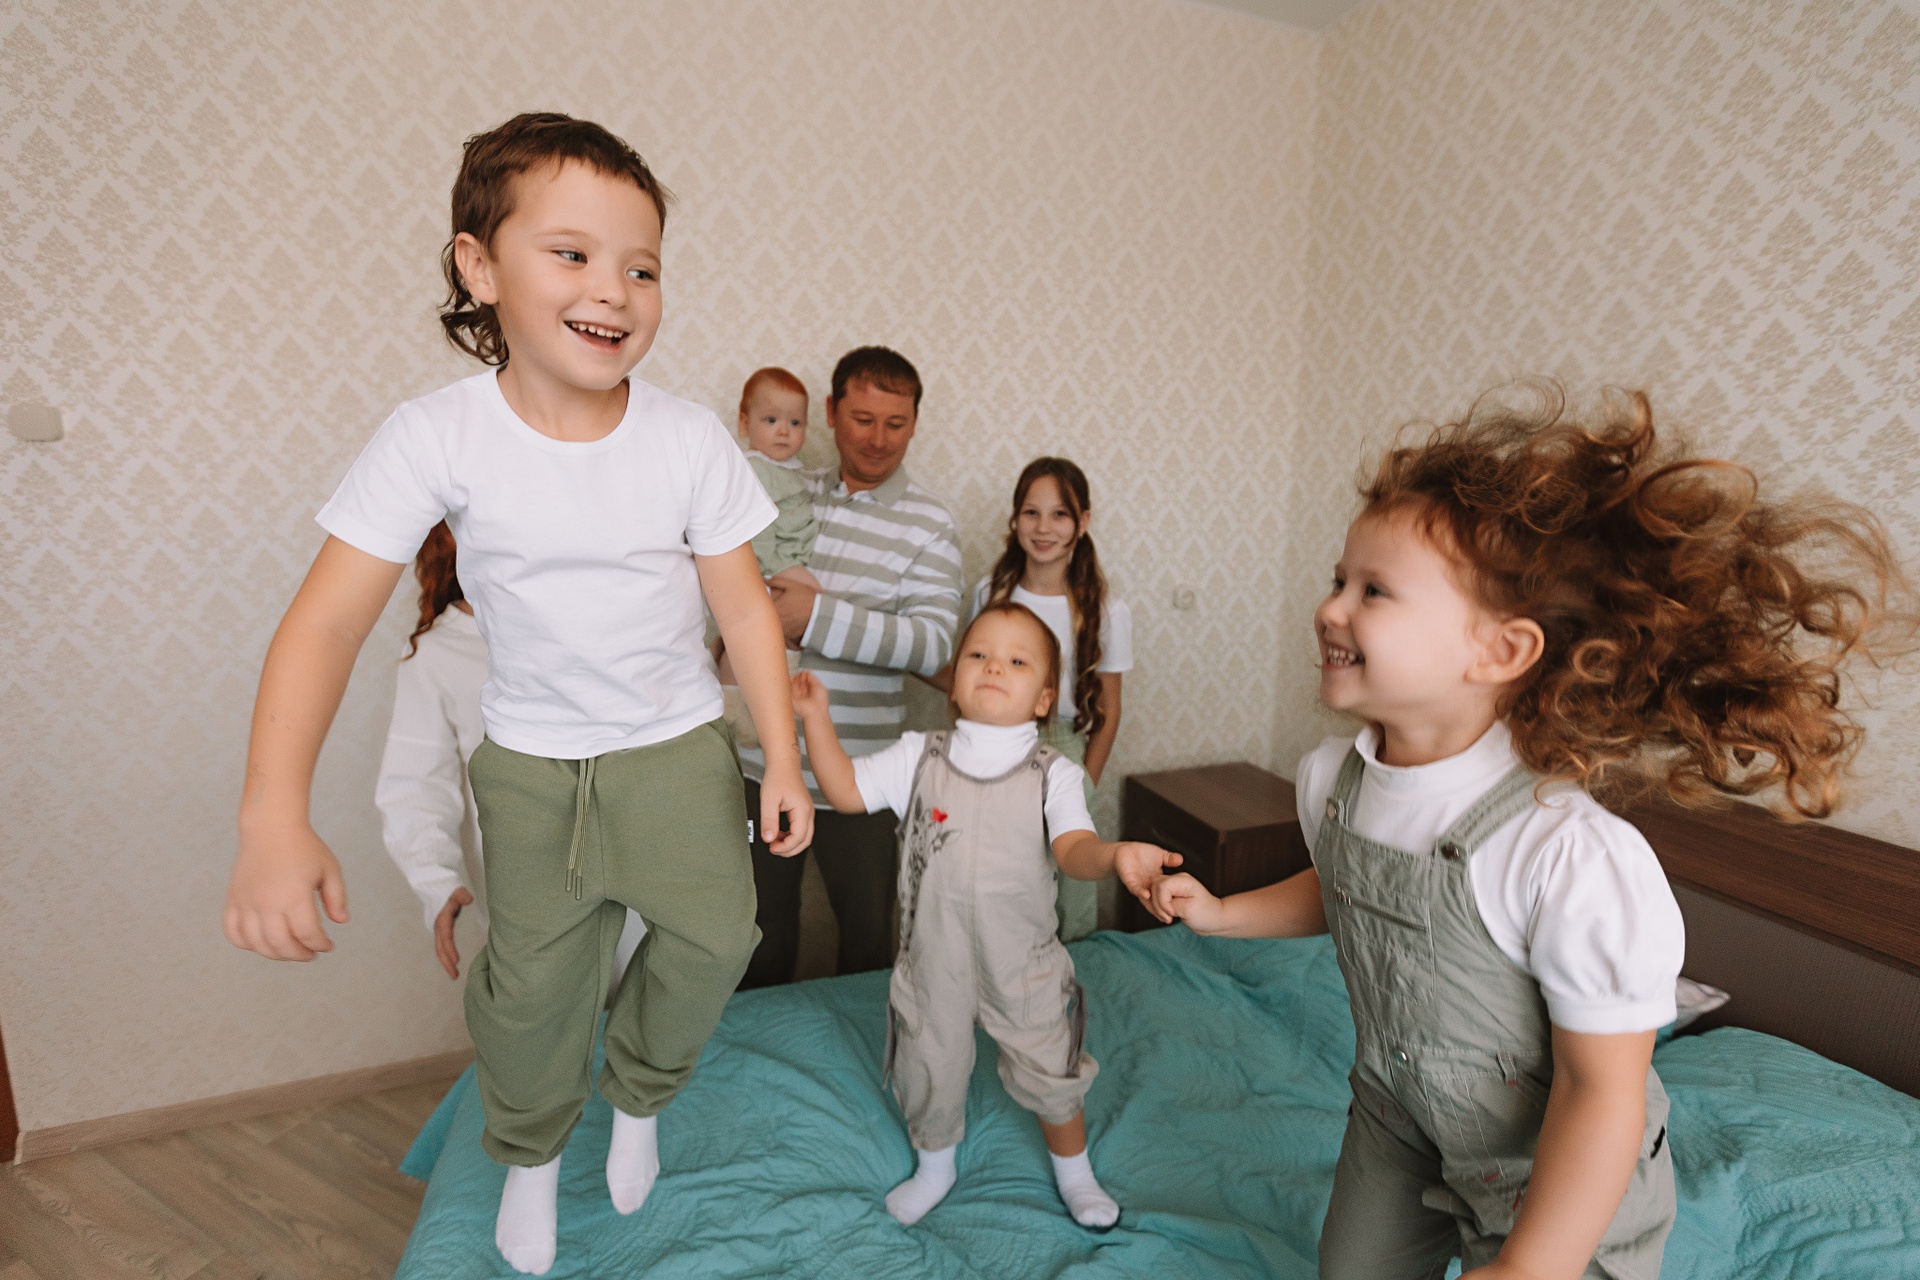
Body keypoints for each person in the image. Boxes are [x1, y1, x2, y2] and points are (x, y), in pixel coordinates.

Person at [220, 113, 813, 1277]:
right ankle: (532, 1153)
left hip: (677, 749)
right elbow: (327, 622)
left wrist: (783, 757)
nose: (614, 290)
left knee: (719, 936)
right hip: (534, 766)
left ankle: (638, 1094)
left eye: (642, 267)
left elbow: (747, 612)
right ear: (479, 266)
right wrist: (271, 815)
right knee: (536, 985)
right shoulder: (435, 436)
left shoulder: (690, 439)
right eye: (573, 254)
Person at [1146, 384, 1908, 1280]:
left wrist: (1529, 1267)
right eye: (1337, 580)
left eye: (1374, 591)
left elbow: (1602, 1093)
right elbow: (1343, 887)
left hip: (1549, 1161)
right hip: (1397, 1115)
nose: (1331, 609)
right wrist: (1226, 913)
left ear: (1501, 652)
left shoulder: (1569, 853)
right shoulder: (1330, 781)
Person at [794, 601, 1177, 1228]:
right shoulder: (918, 757)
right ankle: (935, 1168)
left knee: (1050, 1064)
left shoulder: (1054, 774)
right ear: (955, 680)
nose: (994, 667)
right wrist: (815, 718)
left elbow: (1074, 849)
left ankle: (1075, 1173)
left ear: (1044, 699)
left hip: (1021, 962)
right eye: (978, 654)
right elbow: (844, 790)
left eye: (1017, 661)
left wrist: (1116, 856)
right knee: (928, 1064)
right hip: (933, 959)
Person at [735, 346, 963, 987]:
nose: (878, 439)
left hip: (864, 773)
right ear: (832, 413)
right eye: (863, 419)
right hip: (761, 763)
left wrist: (815, 617)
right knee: (758, 938)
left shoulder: (930, 524)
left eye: (896, 423)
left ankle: (873, 1049)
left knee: (866, 941)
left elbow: (932, 645)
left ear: (915, 422)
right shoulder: (782, 489)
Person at [377, 521, 646, 985]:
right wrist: (436, 881)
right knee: (550, 1004)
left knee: (650, 994)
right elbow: (415, 783)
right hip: (524, 877)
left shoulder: (599, 618)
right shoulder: (437, 653)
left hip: (636, 852)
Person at [933, 457, 1132, 941]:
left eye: (1060, 514)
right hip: (994, 745)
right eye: (1031, 512)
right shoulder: (990, 593)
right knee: (997, 871)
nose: (1044, 528)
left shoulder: (1106, 611)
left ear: (1082, 522)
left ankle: (1070, 965)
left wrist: (1086, 781)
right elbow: (968, 678)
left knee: (1068, 881)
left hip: (1064, 748)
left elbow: (1109, 711)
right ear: (1015, 518)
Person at [715, 366, 821, 749]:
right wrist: (756, 576)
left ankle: (766, 701)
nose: (783, 431)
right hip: (767, 562)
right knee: (781, 617)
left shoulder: (788, 471)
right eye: (771, 420)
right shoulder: (755, 470)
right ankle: (735, 701)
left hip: (781, 558)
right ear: (744, 423)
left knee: (786, 627)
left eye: (795, 423)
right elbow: (753, 528)